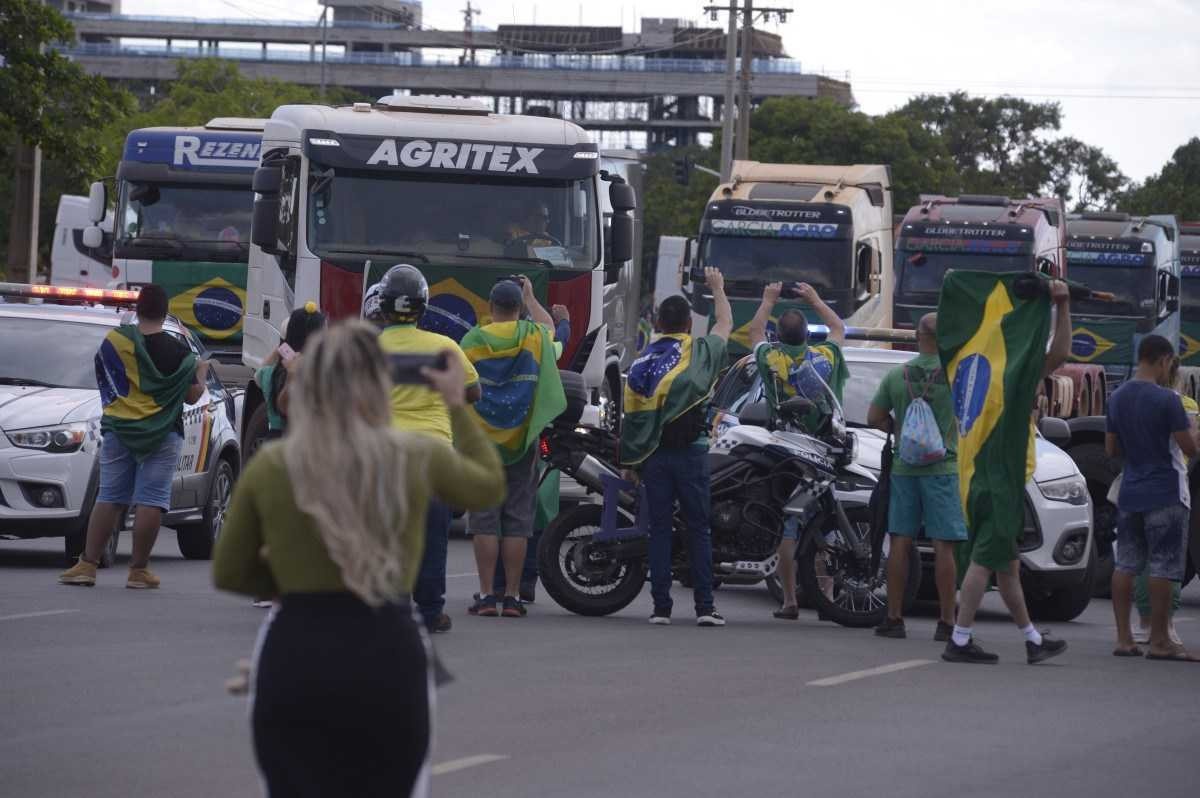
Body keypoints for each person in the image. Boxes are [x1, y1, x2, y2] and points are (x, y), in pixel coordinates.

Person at [213, 321, 505, 798]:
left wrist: (288, 571)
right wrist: (454, 405)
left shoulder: (275, 464)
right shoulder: (412, 455)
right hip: (388, 646)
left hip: (296, 647)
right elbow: (488, 485)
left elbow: (230, 570)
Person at [942, 279, 1072, 664]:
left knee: (1007, 566)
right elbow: (1061, 353)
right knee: (986, 560)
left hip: (973, 474)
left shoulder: (963, 361)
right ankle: (960, 639)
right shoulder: (1013, 375)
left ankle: (1032, 640)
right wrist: (1061, 305)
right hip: (999, 477)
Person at [60, 284, 207, 589]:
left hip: (120, 430)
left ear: (137, 310)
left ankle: (87, 564)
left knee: (110, 496)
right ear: (165, 312)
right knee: (150, 500)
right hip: (163, 432)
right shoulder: (181, 352)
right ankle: (138, 570)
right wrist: (202, 376)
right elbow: (192, 396)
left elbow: (105, 378)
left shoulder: (115, 341)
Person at [620, 267, 732, 627]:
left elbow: (633, 418)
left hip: (653, 457)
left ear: (657, 324)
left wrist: (630, 462)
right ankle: (704, 607)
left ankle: (661, 608)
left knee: (659, 529)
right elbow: (725, 325)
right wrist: (717, 288)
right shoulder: (697, 353)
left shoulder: (641, 363)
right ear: (687, 324)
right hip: (692, 454)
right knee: (698, 528)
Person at [377, 264, 481, 634]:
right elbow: (473, 392)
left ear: (384, 306)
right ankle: (430, 611)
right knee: (433, 539)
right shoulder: (444, 348)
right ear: (423, 307)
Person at [463, 277, 566, 618]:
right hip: (522, 440)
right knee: (517, 521)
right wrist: (533, 298)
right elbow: (551, 327)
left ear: (490, 307)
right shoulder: (533, 337)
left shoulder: (473, 340)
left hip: (481, 443)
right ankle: (511, 597)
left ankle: (486, 595)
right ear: (520, 310)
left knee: (485, 521)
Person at [746, 281, 848, 620]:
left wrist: (768, 299)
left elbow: (755, 332)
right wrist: (816, 298)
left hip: (785, 451)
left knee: (787, 525)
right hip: (821, 450)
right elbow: (837, 328)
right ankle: (828, 596)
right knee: (827, 524)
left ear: (780, 335)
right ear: (807, 334)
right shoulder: (823, 357)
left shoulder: (770, 358)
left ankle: (790, 600)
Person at [867, 313, 964, 640]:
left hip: (904, 468)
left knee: (899, 542)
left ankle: (893, 618)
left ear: (917, 336)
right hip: (943, 469)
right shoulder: (955, 375)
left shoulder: (897, 375)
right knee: (944, 547)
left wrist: (900, 431)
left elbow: (874, 417)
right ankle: (947, 621)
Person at [1106, 336, 1200, 660]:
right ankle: (1160, 641)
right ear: (1163, 360)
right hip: (1166, 493)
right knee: (1163, 566)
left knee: (1126, 563)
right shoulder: (1168, 400)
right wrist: (1194, 433)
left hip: (1131, 491)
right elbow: (1189, 448)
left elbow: (1111, 450)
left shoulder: (1117, 398)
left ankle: (1124, 638)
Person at [1132, 355, 1194, 647]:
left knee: (1140, 559)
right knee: (1169, 561)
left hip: (1135, 486)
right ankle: (1166, 625)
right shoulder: (1185, 405)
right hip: (1171, 488)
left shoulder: (1131, 401)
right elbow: (1191, 448)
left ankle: (1142, 623)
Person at [254, 303, 327, 441]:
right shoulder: (319, 375)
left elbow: (258, 375)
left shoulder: (271, 374)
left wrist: (282, 347)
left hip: (274, 443)